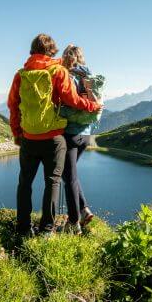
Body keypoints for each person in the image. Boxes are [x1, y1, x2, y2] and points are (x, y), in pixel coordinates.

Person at [7, 34, 101, 237]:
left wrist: (17, 134)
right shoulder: (57, 71)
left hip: (29, 138)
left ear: (32, 50)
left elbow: (13, 106)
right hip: (54, 139)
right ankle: (46, 230)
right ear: (52, 51)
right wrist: (93, 106)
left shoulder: (21, 74)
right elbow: (72, 99)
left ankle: (23, 228)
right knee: (53, 182)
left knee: (25, 183)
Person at [59, 45, 105, 234]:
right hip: (86, 134)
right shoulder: (90, 77)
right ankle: (84, 210)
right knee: (70, 175)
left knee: (68, 177)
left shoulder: (67, 76)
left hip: (70, 133)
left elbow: (65, 101)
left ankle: (74, 222)